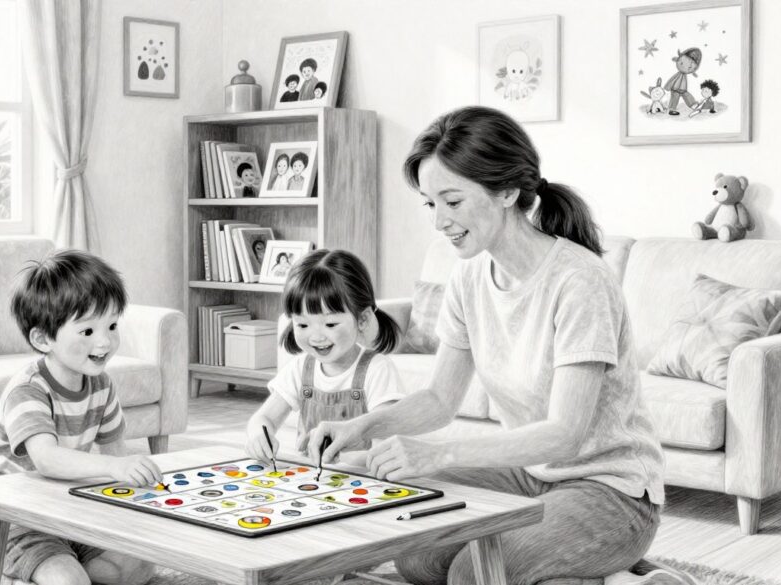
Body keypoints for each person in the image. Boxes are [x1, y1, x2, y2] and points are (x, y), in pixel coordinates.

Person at [303, 106, 681, 585]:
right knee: (415, 554)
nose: (439, 221)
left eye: (452, 201)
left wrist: (439, 454)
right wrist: (360, 426)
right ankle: (603, 575)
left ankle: (617, 570)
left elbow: (565, 434)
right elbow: (439, 399)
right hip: (528, 474)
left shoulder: (580, 281)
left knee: (474, 573)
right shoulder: (468, 277)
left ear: (506, 192)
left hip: (612, 492)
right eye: (430, 204)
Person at [0, 250, 161, 585]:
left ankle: (54, 568)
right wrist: (114, 467)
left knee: (137, 568)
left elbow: (116, 454)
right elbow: (47, 459)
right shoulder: (27, 390)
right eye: (87, 331)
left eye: (112, 325)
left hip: (67, 511)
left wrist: (134, 498)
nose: (105, 341)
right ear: (43, 339)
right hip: (14, 519)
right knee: (69, 581)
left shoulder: (102, 385)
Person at [246, 249, 405, 466]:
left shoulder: (377, 370)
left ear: (362, 319)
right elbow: (263, 418)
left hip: (363, 480)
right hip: (312, 480)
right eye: (303, 325)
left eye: (330, 324)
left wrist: (343, 459)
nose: (316, 337)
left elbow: (386, 444)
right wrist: (259, 435)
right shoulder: (300, 368)